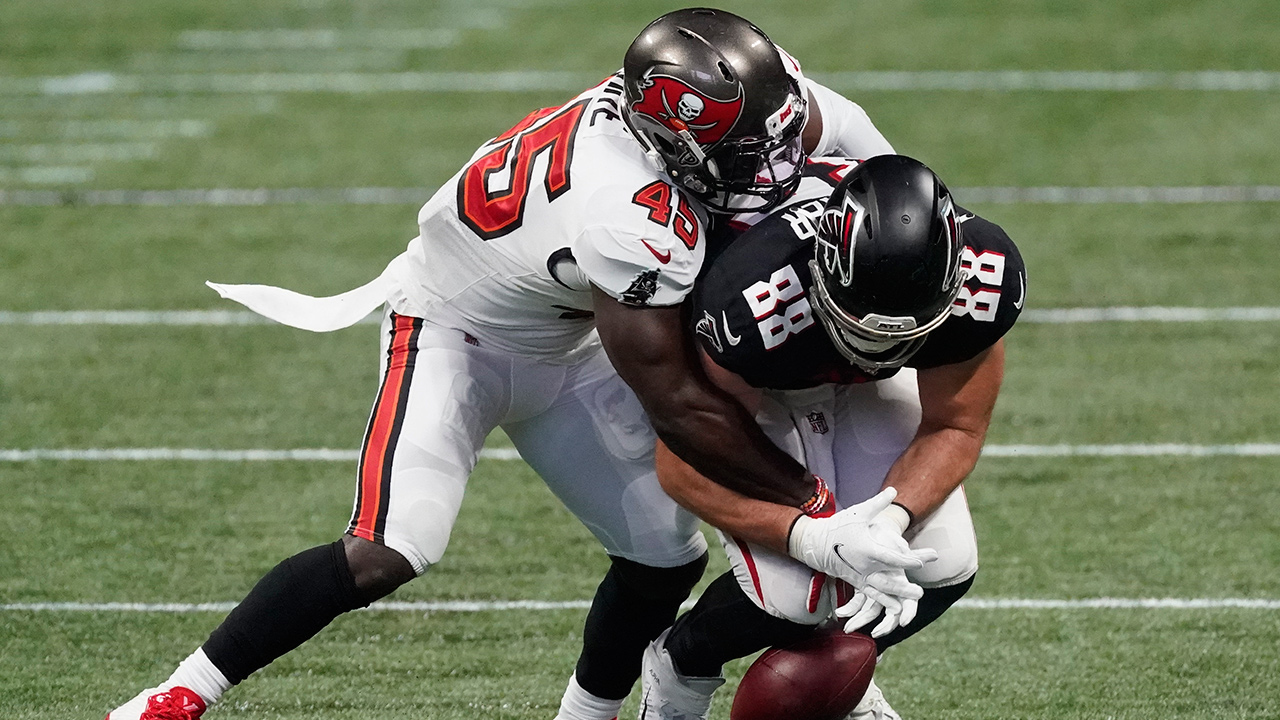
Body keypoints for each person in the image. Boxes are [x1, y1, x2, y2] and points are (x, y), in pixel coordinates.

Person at [106, 9, 923, 720]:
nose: (773, 163)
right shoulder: (629, 210)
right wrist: (812, 512)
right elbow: (678, 401)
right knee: (390, 547)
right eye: (746, 151)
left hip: (566, 328)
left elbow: (859, 151)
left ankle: (586, 713)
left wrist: (913, 232)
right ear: (668, 143)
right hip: (454, 330)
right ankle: (177, 696)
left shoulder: (731, 108)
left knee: (663, 558)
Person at [636, 155, 1027, 720]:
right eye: (862, 324)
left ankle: (842, 680)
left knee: (934, 565)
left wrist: (889, 522)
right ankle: (680, 666)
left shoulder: (983, 278)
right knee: (797, 596)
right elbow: (682, 465)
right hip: (763, 382)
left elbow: (955, 424)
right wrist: (810, 539)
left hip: (836, 371)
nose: (881, 348)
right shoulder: (754, 299)